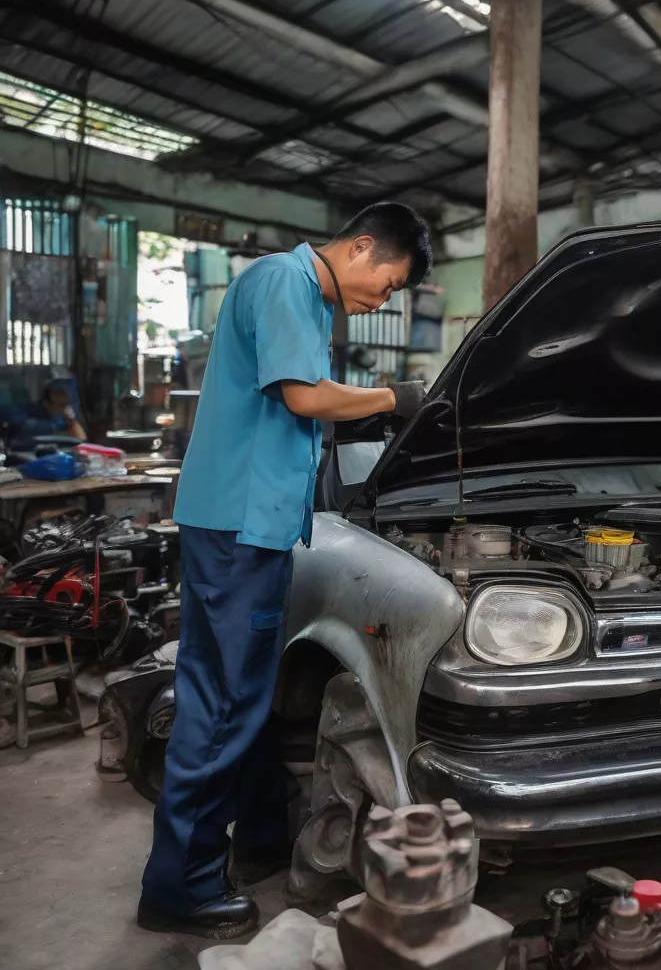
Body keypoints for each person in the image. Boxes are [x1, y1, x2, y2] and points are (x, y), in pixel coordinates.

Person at [137, 202, 433, 939]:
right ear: (361, 247)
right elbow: (303, 396)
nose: (383, 300)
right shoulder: (284, 282)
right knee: (222, 706)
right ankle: (179, 888)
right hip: (239, 529)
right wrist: (398, 399)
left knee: (243, 695)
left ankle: (262, 837)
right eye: (389, 284)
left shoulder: (300, 296)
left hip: (243, 526)